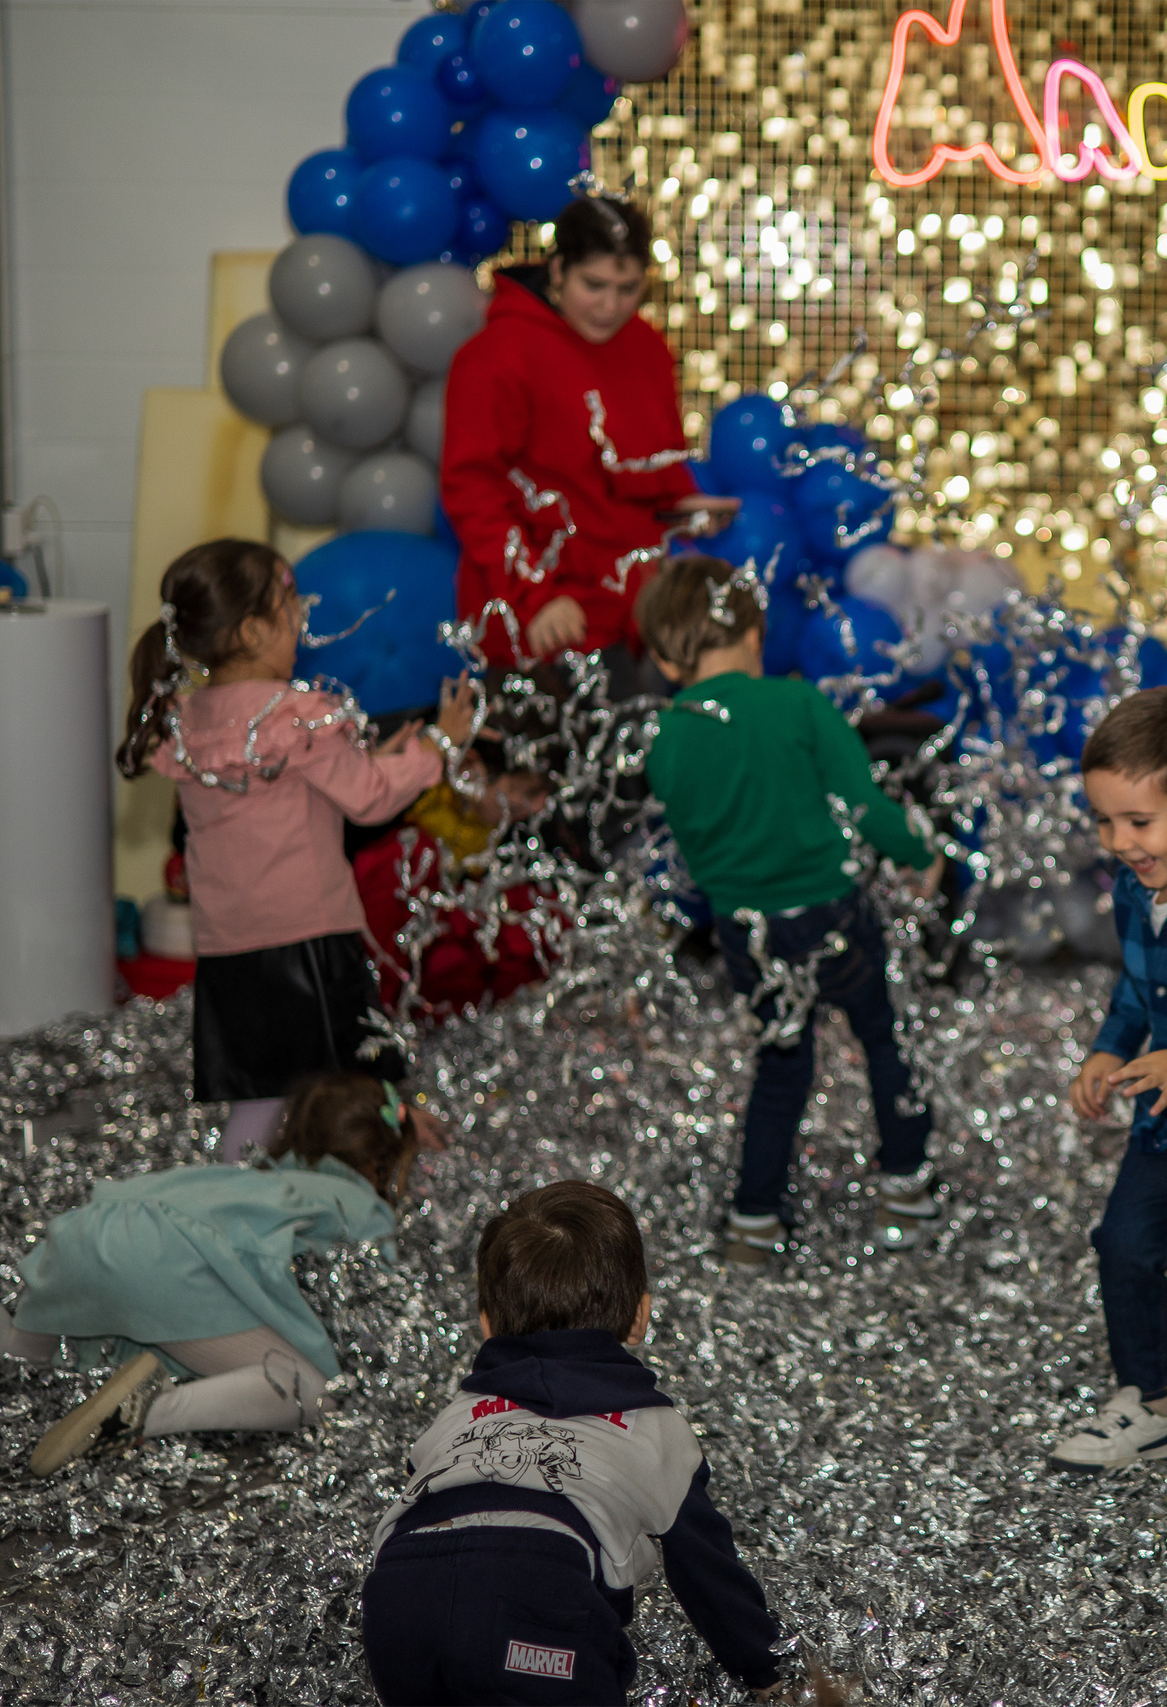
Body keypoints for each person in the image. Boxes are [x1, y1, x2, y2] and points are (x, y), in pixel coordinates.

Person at [0, 1073, 437, 1476]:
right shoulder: (357, 1199)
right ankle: (149, 1408)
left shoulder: (254, 1178)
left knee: (26, 1347)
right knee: (310, 1389)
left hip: (99, 1230)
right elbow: (381, 1307)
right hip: (171, 1264)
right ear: (380, 1163)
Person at [115, 538, 478, 1160]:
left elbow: (293, 792)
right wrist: (438, 749)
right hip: (309, 936)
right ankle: (382, 1190)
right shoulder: (298, 714)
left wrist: (381, 758)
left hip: (229, 946)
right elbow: (366, 799)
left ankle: (234, 1201)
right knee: (358, 1079)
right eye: (292, 613)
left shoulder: (188, 722)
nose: (301, 626)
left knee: (262, 1095)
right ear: (254, 631)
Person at [634, 554, 943, 1269]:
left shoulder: (668, 738)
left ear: (663, 658)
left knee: (782, 1064)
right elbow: (865, 804)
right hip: (831, 913)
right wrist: (918, 852)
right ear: (753, 631)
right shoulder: (798, 704)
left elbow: (693, 842)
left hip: (745, 931)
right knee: (882, 1038)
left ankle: (754, 1219)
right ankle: (905, 1188)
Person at [361, 1181, 783, 1704]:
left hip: (400, 1598)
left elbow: (430, 1489)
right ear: (639, 1317)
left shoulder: (456, 1415)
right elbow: (708, 1576)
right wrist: (768, 1671)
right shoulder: (654, 1429)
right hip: (540, 1585)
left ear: (486, 1325)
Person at [1050, 686, 1167, 1472]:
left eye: (1138, 821)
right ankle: (1152, 1404)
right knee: (1124, 1246)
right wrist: (1107, 1049)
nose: (1120, 842)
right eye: (1104, 821)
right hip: (1166, 1123)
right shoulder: (1136, 887)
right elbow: (1135, 990)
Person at [442, 195, 740, 668]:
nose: (610, 305)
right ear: (557, 270)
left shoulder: (646, 346)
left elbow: (639, 468)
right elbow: (472, 492)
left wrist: (680, 507)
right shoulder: (496, 355)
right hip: (539, 625)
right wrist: (533, 596)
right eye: (594, 285)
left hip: (635, 617)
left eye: (627, 288)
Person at [355, 733, 559, 1018]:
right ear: (469, 768)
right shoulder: (407, 854)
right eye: (523, 790)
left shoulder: (495, 847)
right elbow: (380, 977)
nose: (537, 806)